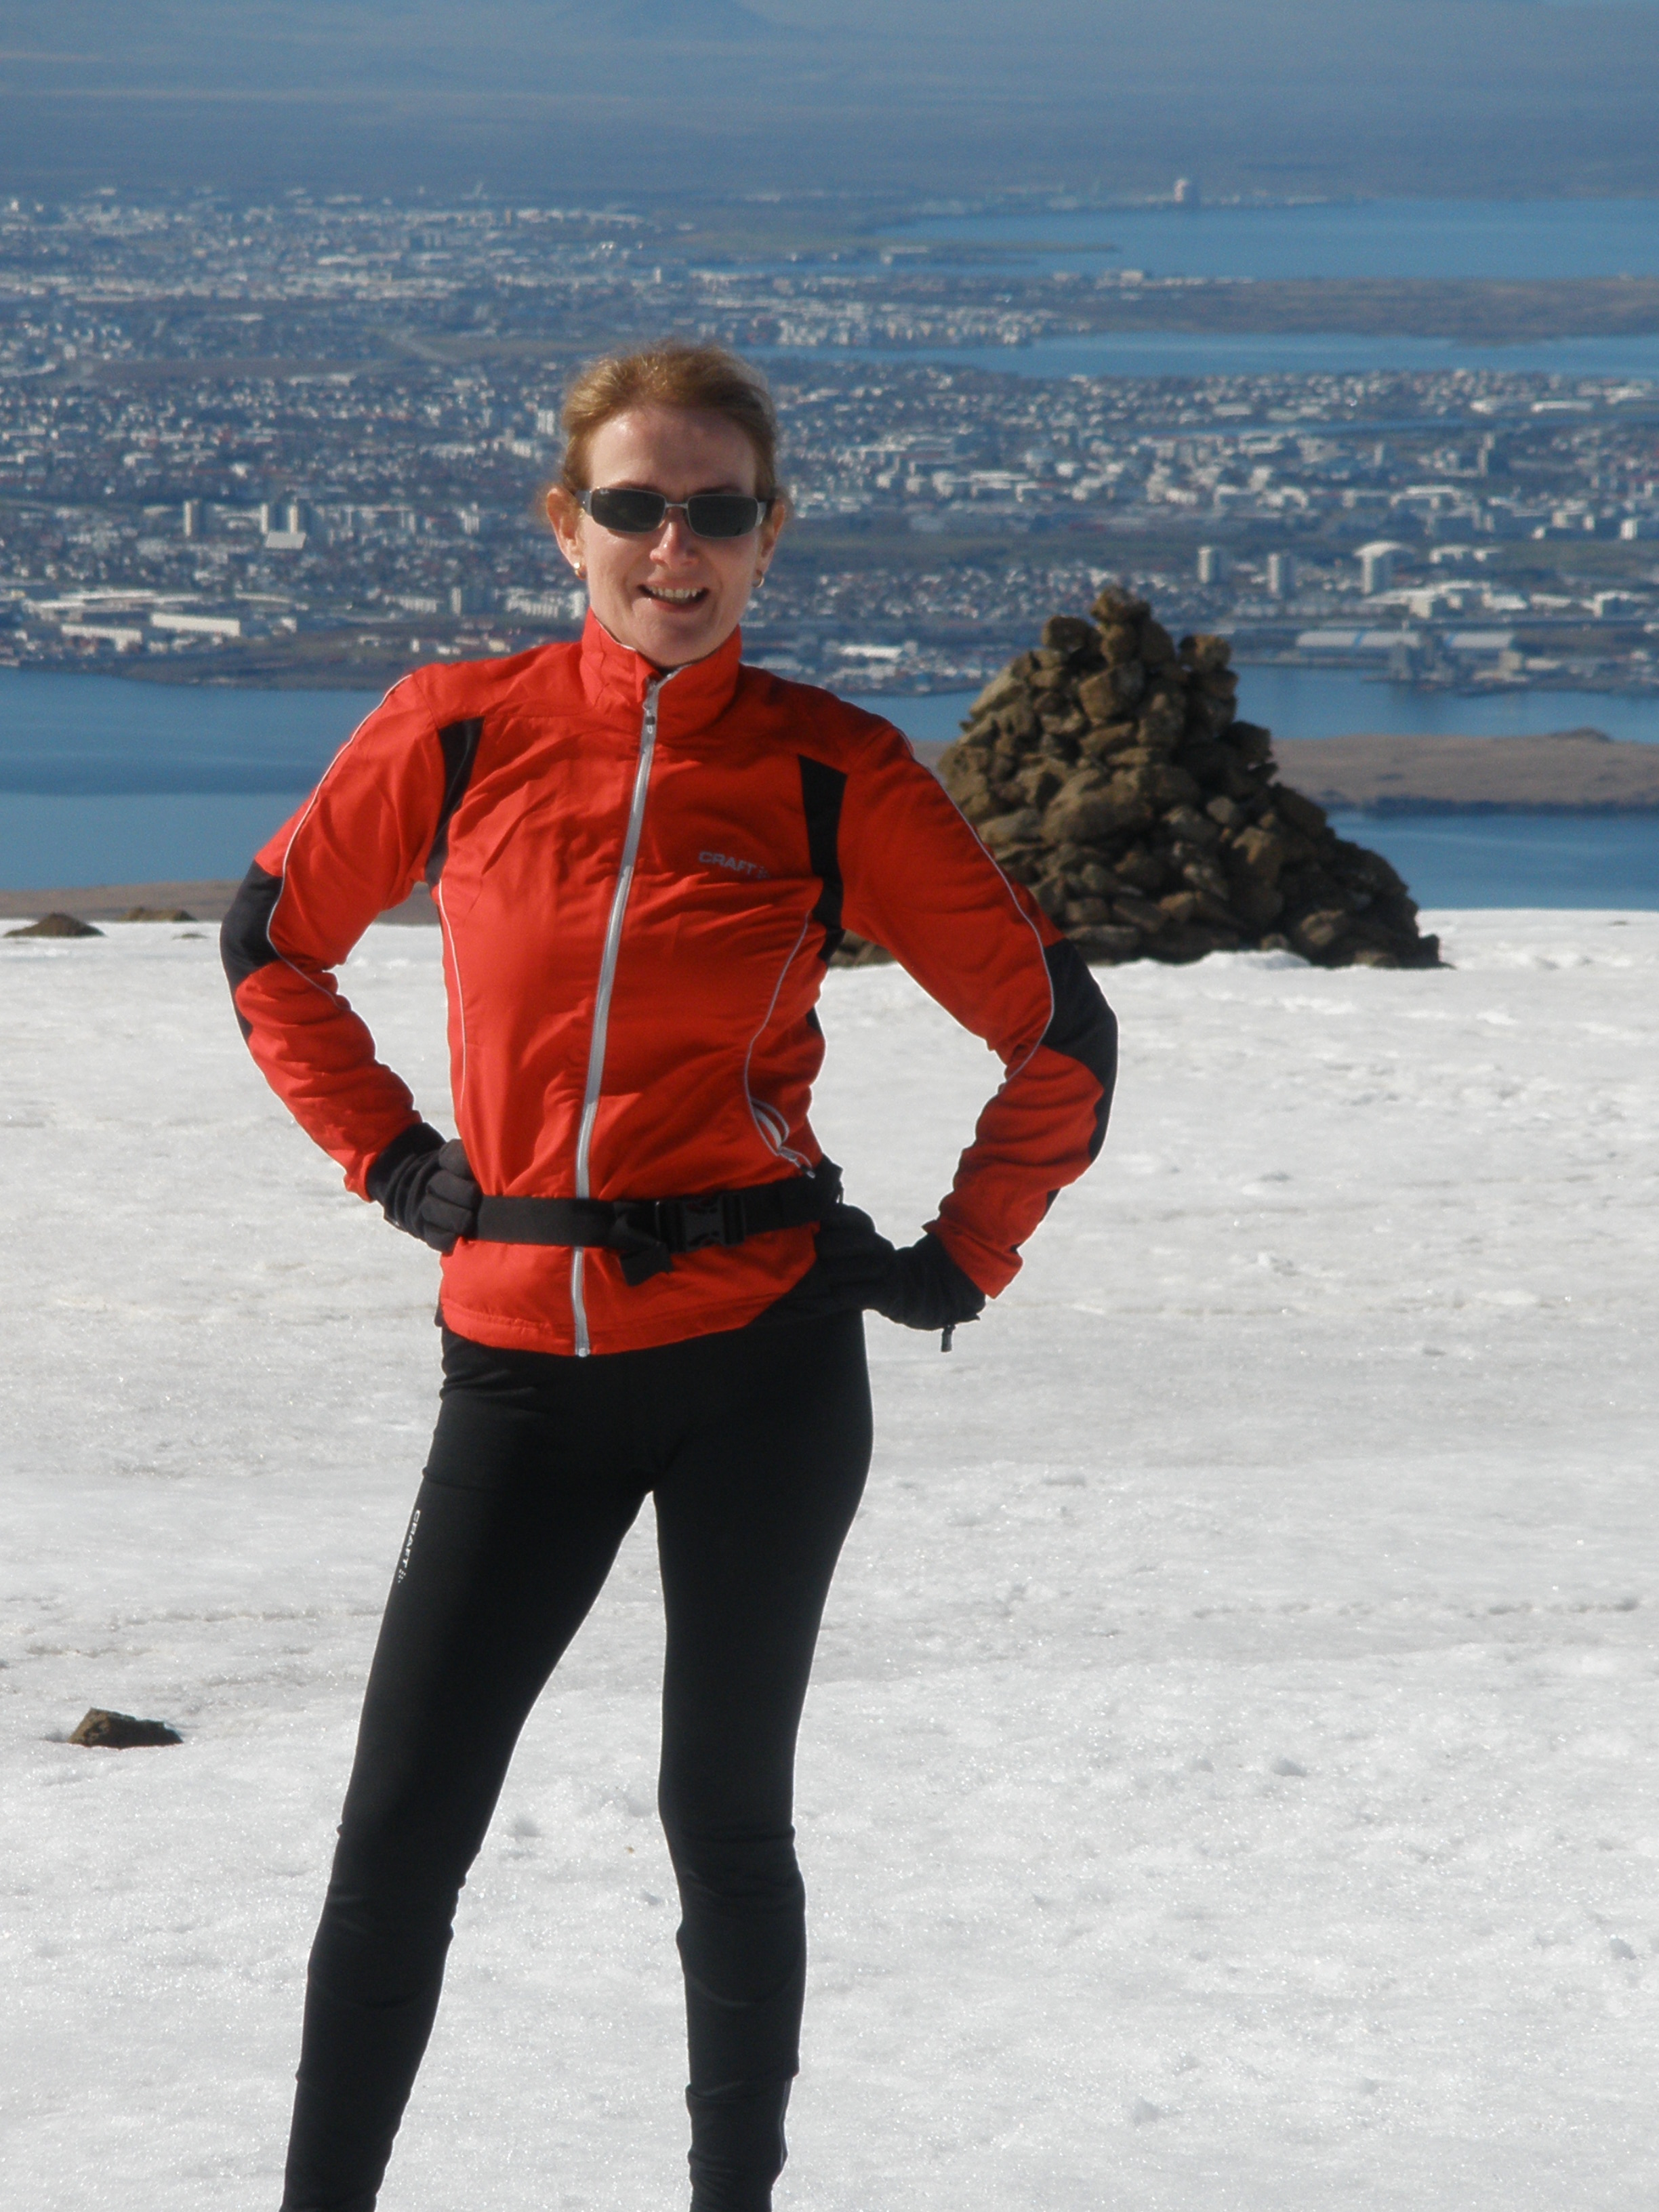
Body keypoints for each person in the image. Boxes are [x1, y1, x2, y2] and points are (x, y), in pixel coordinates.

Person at [221, 340, 1117, 2212]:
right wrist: (389, 1156)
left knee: (725, 1822)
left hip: (761, 1369)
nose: (675, 547)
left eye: (719, 511)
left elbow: (1060, 1034)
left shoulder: (830, 770)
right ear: (569, 524)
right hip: (520, 1369)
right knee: (401, 1835)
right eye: (636, 507)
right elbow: (271, 946)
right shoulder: (457, 729)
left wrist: (961, 1258)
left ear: (772, 533)